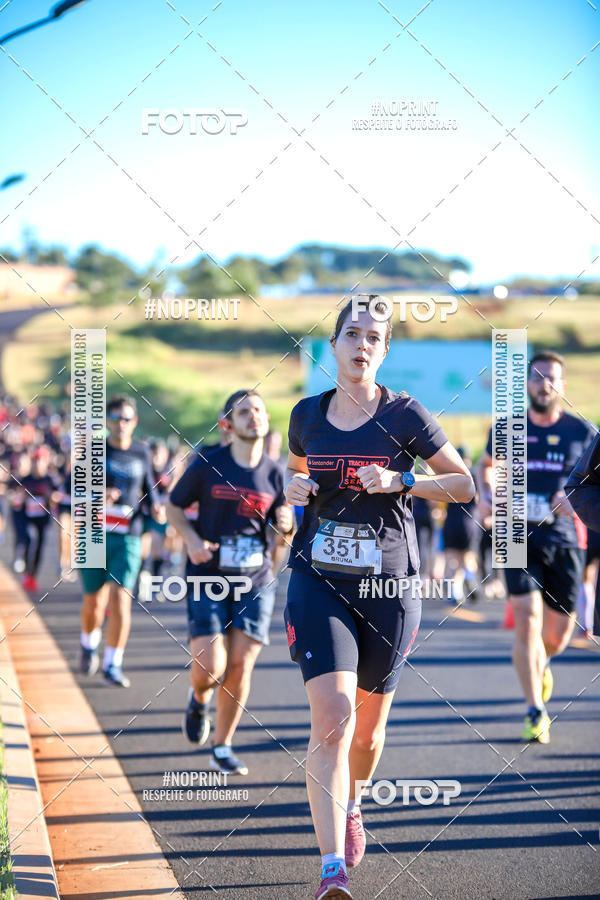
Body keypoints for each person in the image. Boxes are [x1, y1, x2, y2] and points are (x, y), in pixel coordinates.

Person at [283, 296, 474, 900]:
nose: (362, 345)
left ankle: (355, 801)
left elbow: (465, 483)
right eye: (352, 334)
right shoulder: (305, 415)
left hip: (389, 587)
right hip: (318, 581)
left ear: (384, 350)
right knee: (333, 721)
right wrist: (292, 491)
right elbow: (292, 484)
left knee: (366, 738)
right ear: (332, 346)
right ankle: (331, 868)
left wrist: (405, 479)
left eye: (374, 337)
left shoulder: (407, 414)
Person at [167, 390, 294, 776]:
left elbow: (280, 531)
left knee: (239, 666)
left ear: (267, 419)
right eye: (244, 412)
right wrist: (190, 540)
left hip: (255, 581)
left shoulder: (275, 473)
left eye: (258, 410)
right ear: (228, 424)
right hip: (208, 576)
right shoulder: (209, 463)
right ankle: (198, 697)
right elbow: (173, 506)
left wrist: (284, 530)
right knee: (211, 666)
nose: (253, 417)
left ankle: (222, 746)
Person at [478, 351, 595, 743]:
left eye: (551, 379)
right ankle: (535, 710)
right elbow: (487, 465)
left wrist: (573, 496)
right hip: (515, 532)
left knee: (557, 635)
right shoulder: (508, 428)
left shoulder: (584, 433)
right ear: (527, 384)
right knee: (526, 619)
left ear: (562, 387)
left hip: (564, 538)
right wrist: (486, 494)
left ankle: (540, 665)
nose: (543, 384)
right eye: (537, 377)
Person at [79, 394, 161, 687]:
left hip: (128, 536)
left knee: (120, 601)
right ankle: (89, 642)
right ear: (107, 422)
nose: (120, 425)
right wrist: (95, 498)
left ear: (134, 422)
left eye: (126, 419)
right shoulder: (94, 451)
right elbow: (69, 493)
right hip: (94, 534)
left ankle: (113, 663)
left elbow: (151, 491)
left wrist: (158, 509)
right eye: (114, 419)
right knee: (93, 602)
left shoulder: (141, 452)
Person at [565, 428, 600, 636]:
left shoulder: (579, 427)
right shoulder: (510, 431)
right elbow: (579, 485)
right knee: (528, 614)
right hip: (520, 536)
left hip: (570, 533)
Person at [442, 446, 480, 604]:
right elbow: (478, 499)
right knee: (468, 558)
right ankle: (470, 578)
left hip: (451, 521)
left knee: (452, 560)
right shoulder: (475, 476)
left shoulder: (449, 476)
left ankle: (454, 592)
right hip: (469, 521)